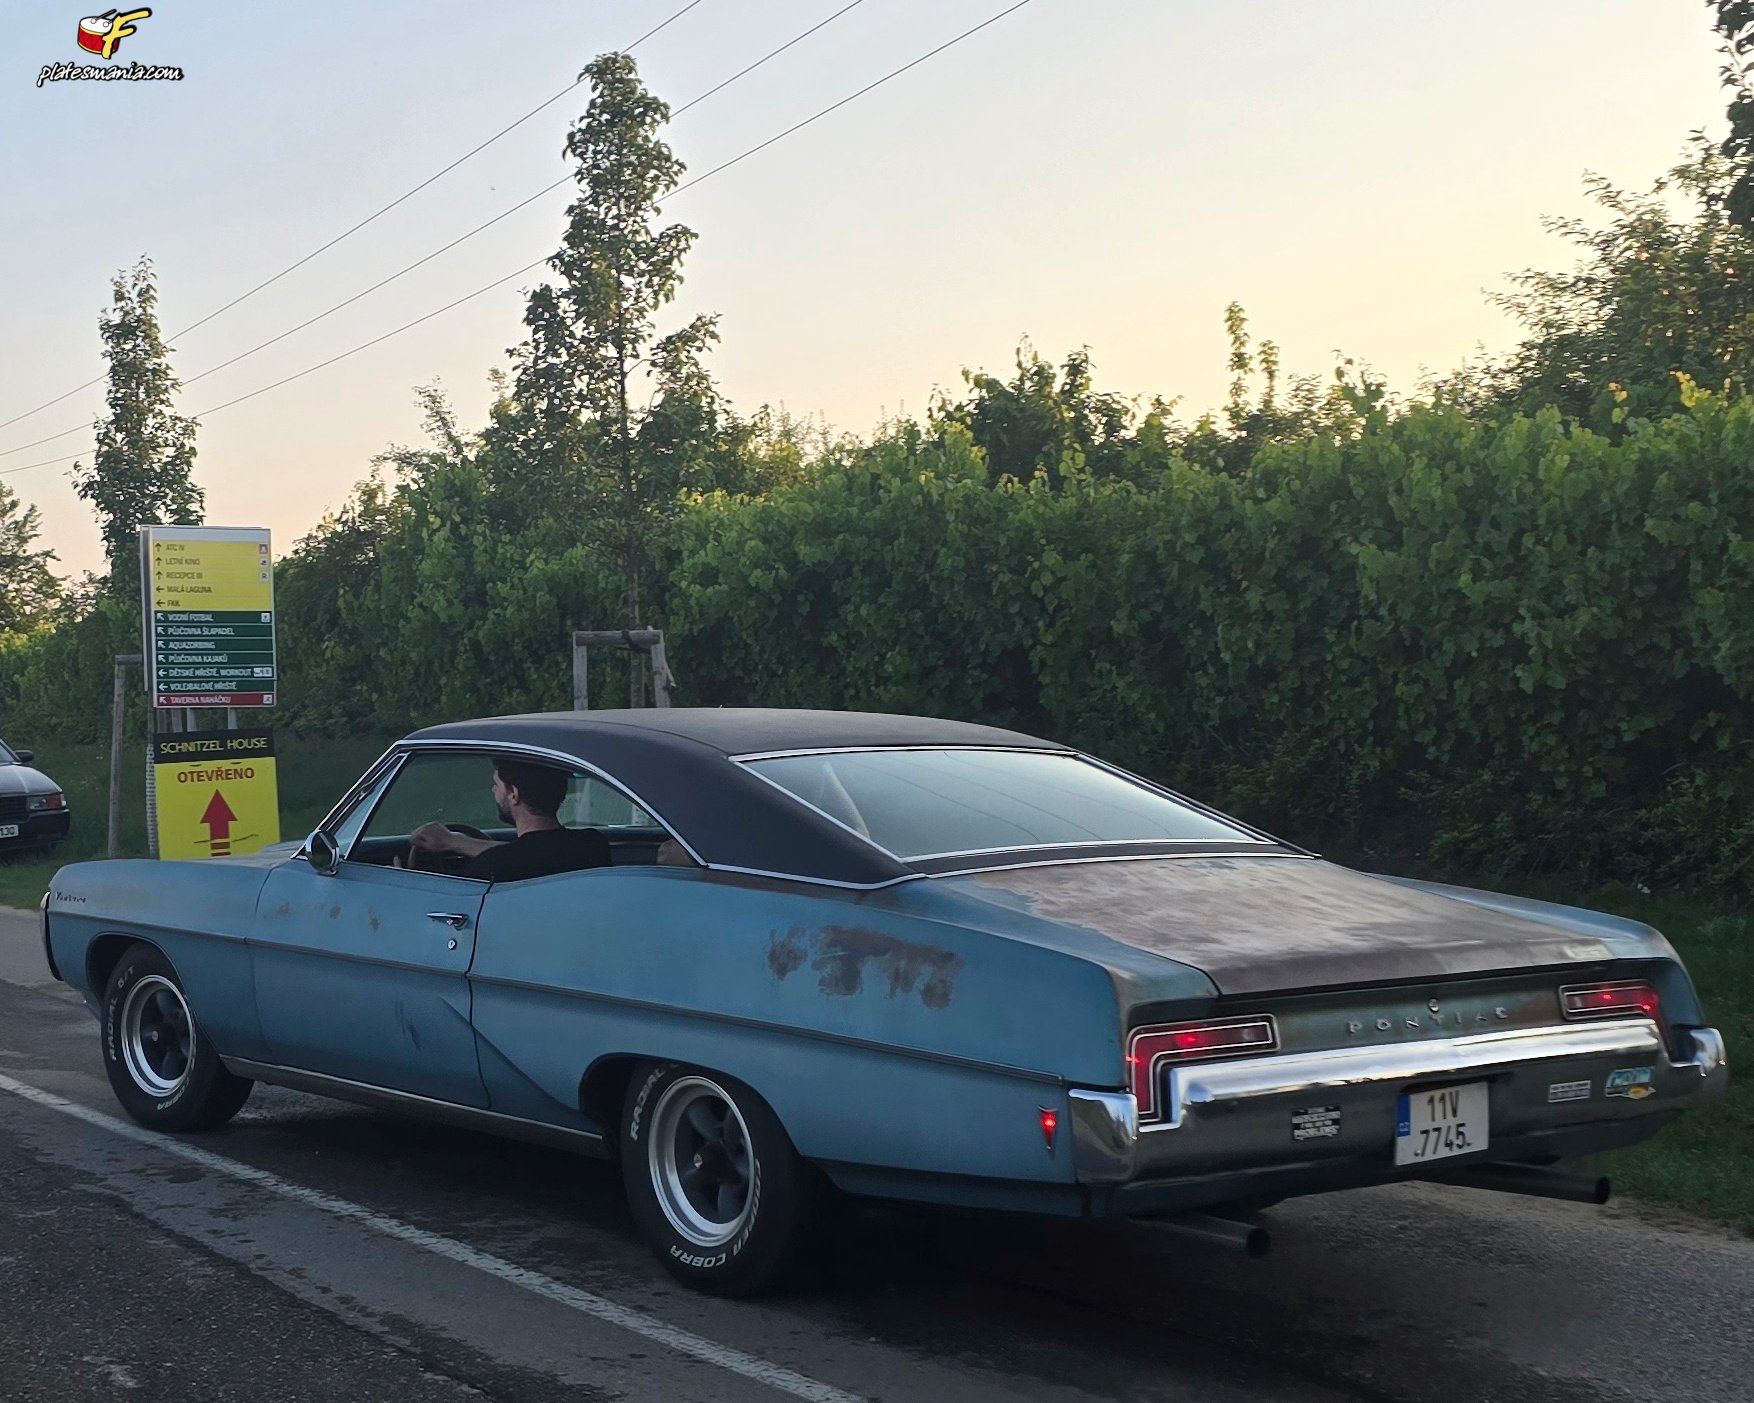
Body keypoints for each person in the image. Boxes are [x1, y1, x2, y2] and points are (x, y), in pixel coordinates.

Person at [406, 758, 610, 882]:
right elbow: (535, 853)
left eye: (497, 784)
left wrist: (404, 880)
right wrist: (455, 841)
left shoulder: (494, 867)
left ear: (514, 794)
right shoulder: (593, 845)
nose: (493, 790)